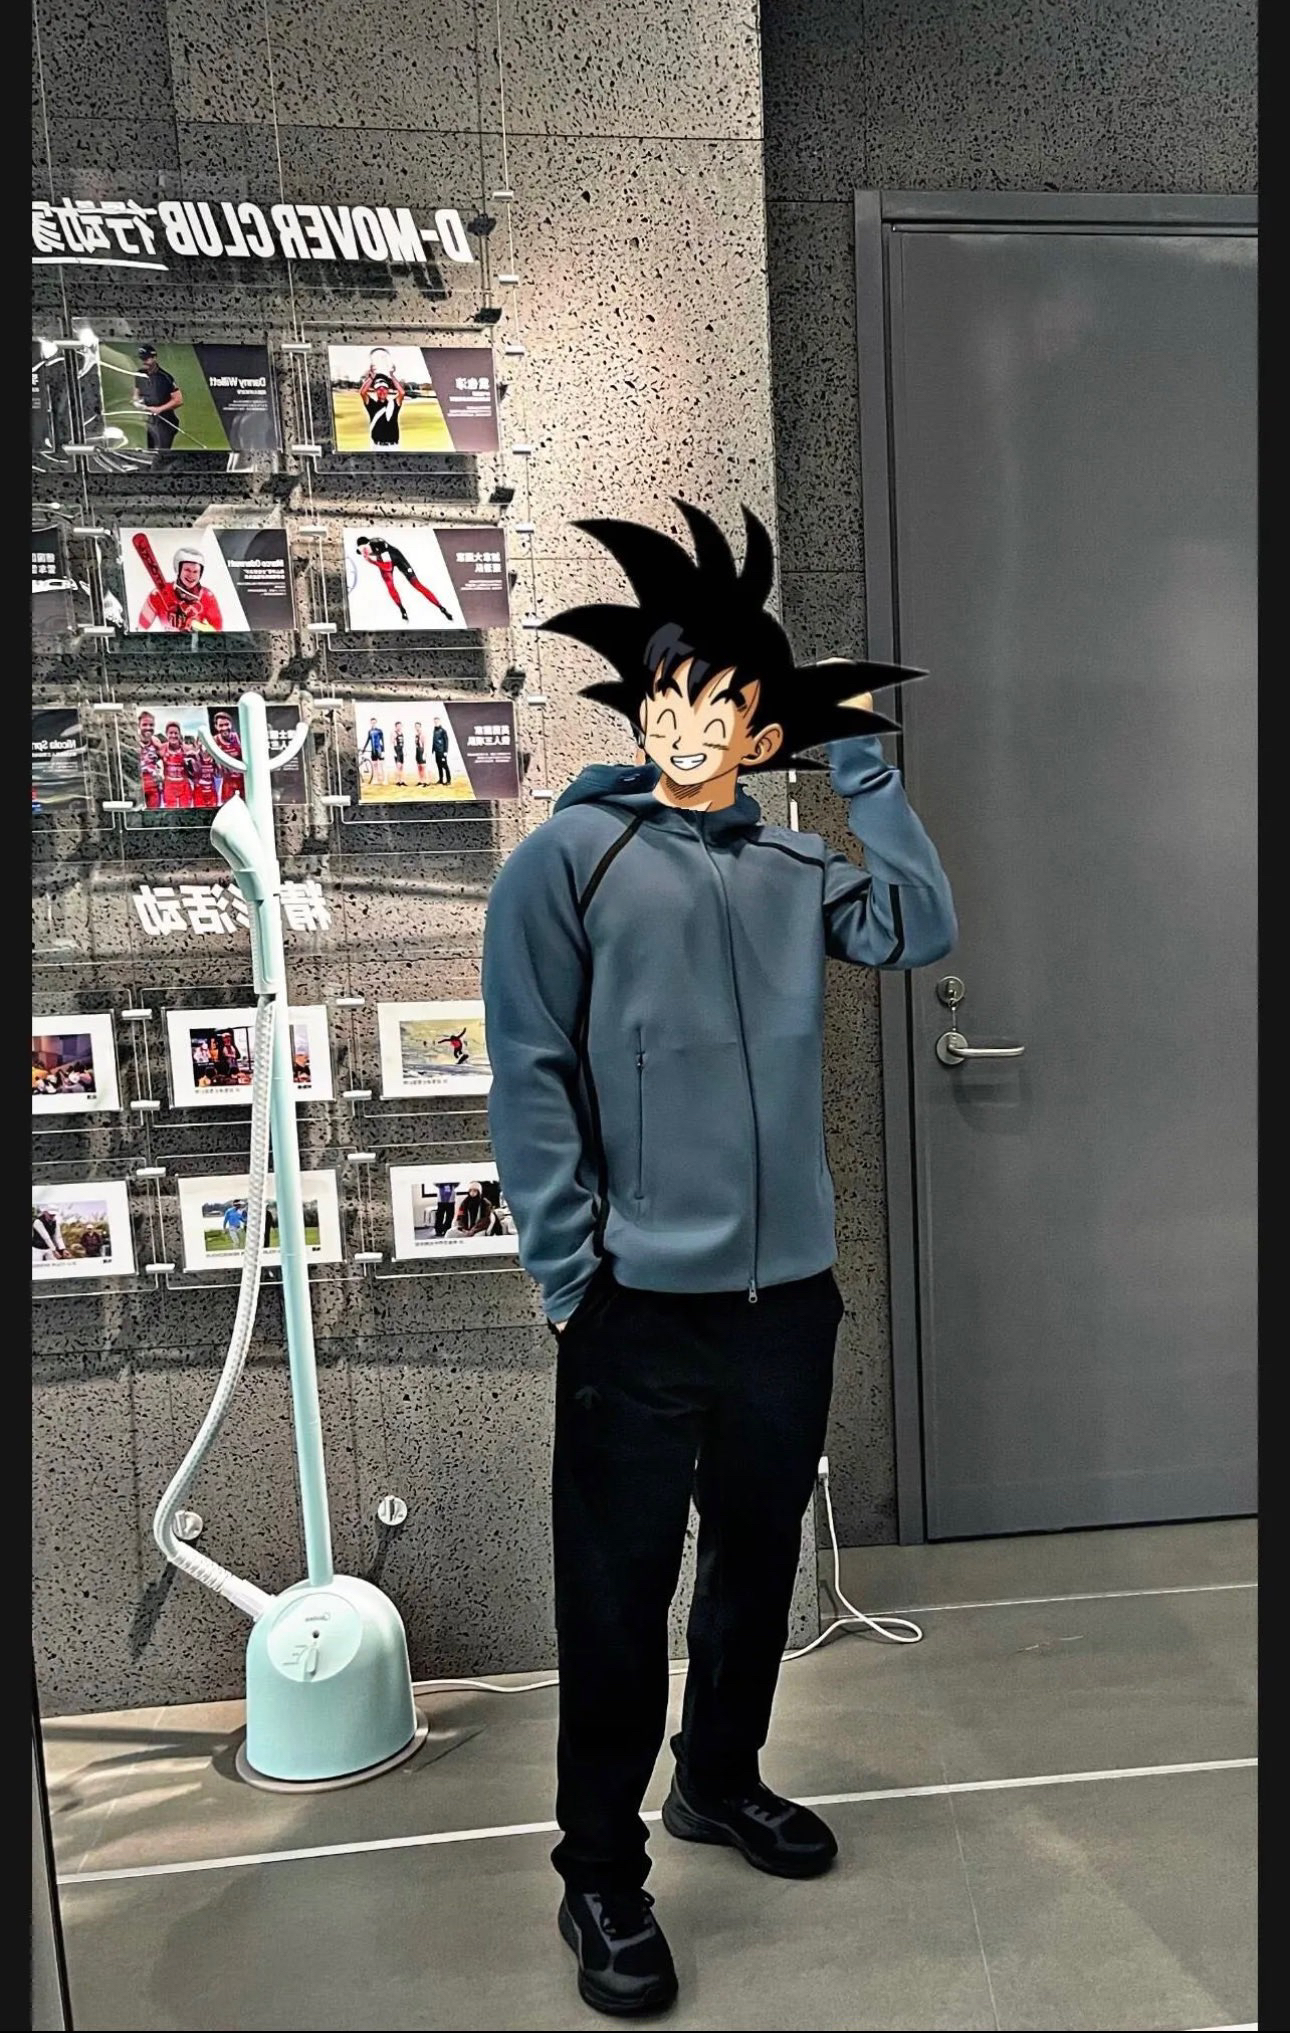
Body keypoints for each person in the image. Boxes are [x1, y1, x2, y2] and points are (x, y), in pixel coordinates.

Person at [481, 500, 956, 2018]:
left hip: (785, 1302)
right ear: (643, 706)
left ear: (761, 733)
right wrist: (574, 1280)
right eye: (671, 696)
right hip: (634, 1310)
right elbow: (528, 1075)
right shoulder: (565, 862)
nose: (693, 726)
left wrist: (862, 767)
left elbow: (919, 924)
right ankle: (599, 1873)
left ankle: (719, 1776)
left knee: (754, 1564)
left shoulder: (793, 869)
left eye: (727, 708)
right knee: (616, 1596)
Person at [355, 536, 456, 625]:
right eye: (362, 551)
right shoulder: (365, 549)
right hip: (383, 557)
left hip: (396, 556)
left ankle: (441, 608)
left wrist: (371, 561)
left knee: (416, 584)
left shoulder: (378, 545)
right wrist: (369, 557)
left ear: (368, 543)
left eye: (365, 549)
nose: (365, 552)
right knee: (389, 585)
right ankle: (402, 609)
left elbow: (388, 567)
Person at [136, 546, 223, 633]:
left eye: (195, 571)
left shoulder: (207, 596)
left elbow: (218, 631)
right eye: (187, 570)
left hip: (195, 641)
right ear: (178, 569)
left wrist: (192, 624)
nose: (191, 575)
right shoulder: (157, 595)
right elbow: (140, 629)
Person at [133, 344, 184, 452]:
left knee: (161, 453)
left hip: (164, 422)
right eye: (142, 359)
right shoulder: (139, 375)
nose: (143, 362)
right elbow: (136, 394)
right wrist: (137, 402)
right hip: (148, 421)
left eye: (146, 359)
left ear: (154, 358)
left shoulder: (165, 377)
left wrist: (159, 409)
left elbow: (178, 400)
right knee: (149, 451)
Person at [358, 347, 406, 447]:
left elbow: (401, 392)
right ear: (375, 391)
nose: (382, 391)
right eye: (379, 389)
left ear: (387, 390)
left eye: (384, 389)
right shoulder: (371, 405)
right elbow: (362, 392)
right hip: (376, 446)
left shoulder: (394, 403)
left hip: (393, 447)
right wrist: (371, 377)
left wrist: (391, 375)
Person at [360, 716, 386, 785]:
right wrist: (364, 749)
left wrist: (383, 750)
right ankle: (375, 779)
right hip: (373, 750)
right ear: (370, 723)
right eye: (372, 723)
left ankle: (384, 779)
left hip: (379, 749)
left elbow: (382, 740)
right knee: (374, 765)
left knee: (381, 765)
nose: (373, 724)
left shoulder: (379, 731)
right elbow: (368, 740)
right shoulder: (370, 731)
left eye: (374, 722)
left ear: (376, 723)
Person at [431, 716, 452, 785]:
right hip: (437, 752)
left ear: (440, 722)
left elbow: (446, 741)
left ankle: (448, 780)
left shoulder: (443, 731)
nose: (436, 723)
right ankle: (441, 779)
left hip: (442, 752)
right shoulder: (434, 730)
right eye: (435, 722)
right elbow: (434, 740)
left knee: (445, 765)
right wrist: (433, 749)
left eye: (437, 721)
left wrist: (445, 751)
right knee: (439, 765)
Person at [392, 721, 406, 786]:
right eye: (398, 726)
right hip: (396, 750)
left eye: (400, 726)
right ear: (396, 726)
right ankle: (398, 781)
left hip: (401, 751)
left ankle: (402, 781)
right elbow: (392, 743)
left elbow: (403, 743)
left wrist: (404, 750)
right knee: (398, 766)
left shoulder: (402, 733)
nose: (399, 727)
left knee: (402, 766)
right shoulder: (394, 733)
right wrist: (394, 752)